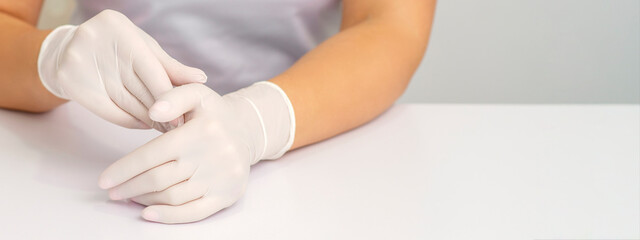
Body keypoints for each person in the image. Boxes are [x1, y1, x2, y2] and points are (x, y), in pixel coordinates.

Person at [0, 0, 435, 224]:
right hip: (86, 160)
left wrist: (256, 121)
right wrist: (52, 57)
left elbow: (390, 25)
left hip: (305, 146)